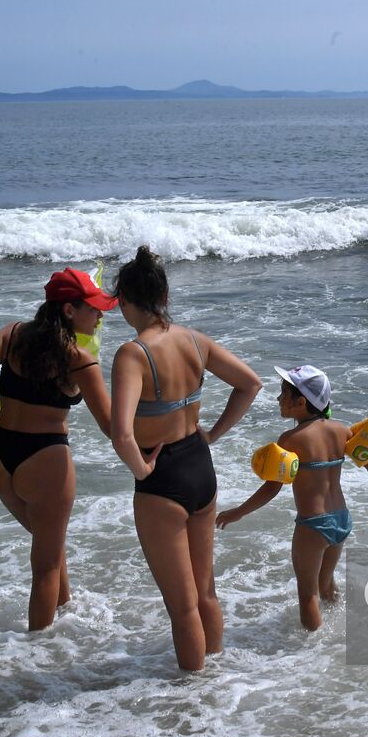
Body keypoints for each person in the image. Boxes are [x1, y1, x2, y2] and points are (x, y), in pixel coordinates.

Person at [108, 246, 261, 670]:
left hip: (163, 480)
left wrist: (143, 470)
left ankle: (193, 703)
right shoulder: (195, 340)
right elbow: (250, 384)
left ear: (123, 302)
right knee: (205, 592)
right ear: (165, 298)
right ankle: (216, 684)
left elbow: (122, 433)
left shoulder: (132, 354)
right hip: (199, 465)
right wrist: (212, 433)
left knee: (182, 607)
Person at [0, 268, 116, 631]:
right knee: (44, 566)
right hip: (46, 459)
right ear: (69, 311)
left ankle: (65, 606)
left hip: (3, 458)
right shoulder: (79, 360)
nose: (100, 315)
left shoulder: (12, 335)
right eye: (93, 308)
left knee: (49, 545)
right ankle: (38, 656)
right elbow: (111, 428)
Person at [216, 364, 368, 631]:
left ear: (301, 402)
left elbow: (271, 487)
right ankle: (338, 632)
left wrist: (238, 512)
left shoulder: (291, 439)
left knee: (307, 594)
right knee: (326, 585)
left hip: (313, 525)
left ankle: (311, 653)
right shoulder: (341, 430)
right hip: (341, 520)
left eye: (282, 394)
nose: (278, 399)